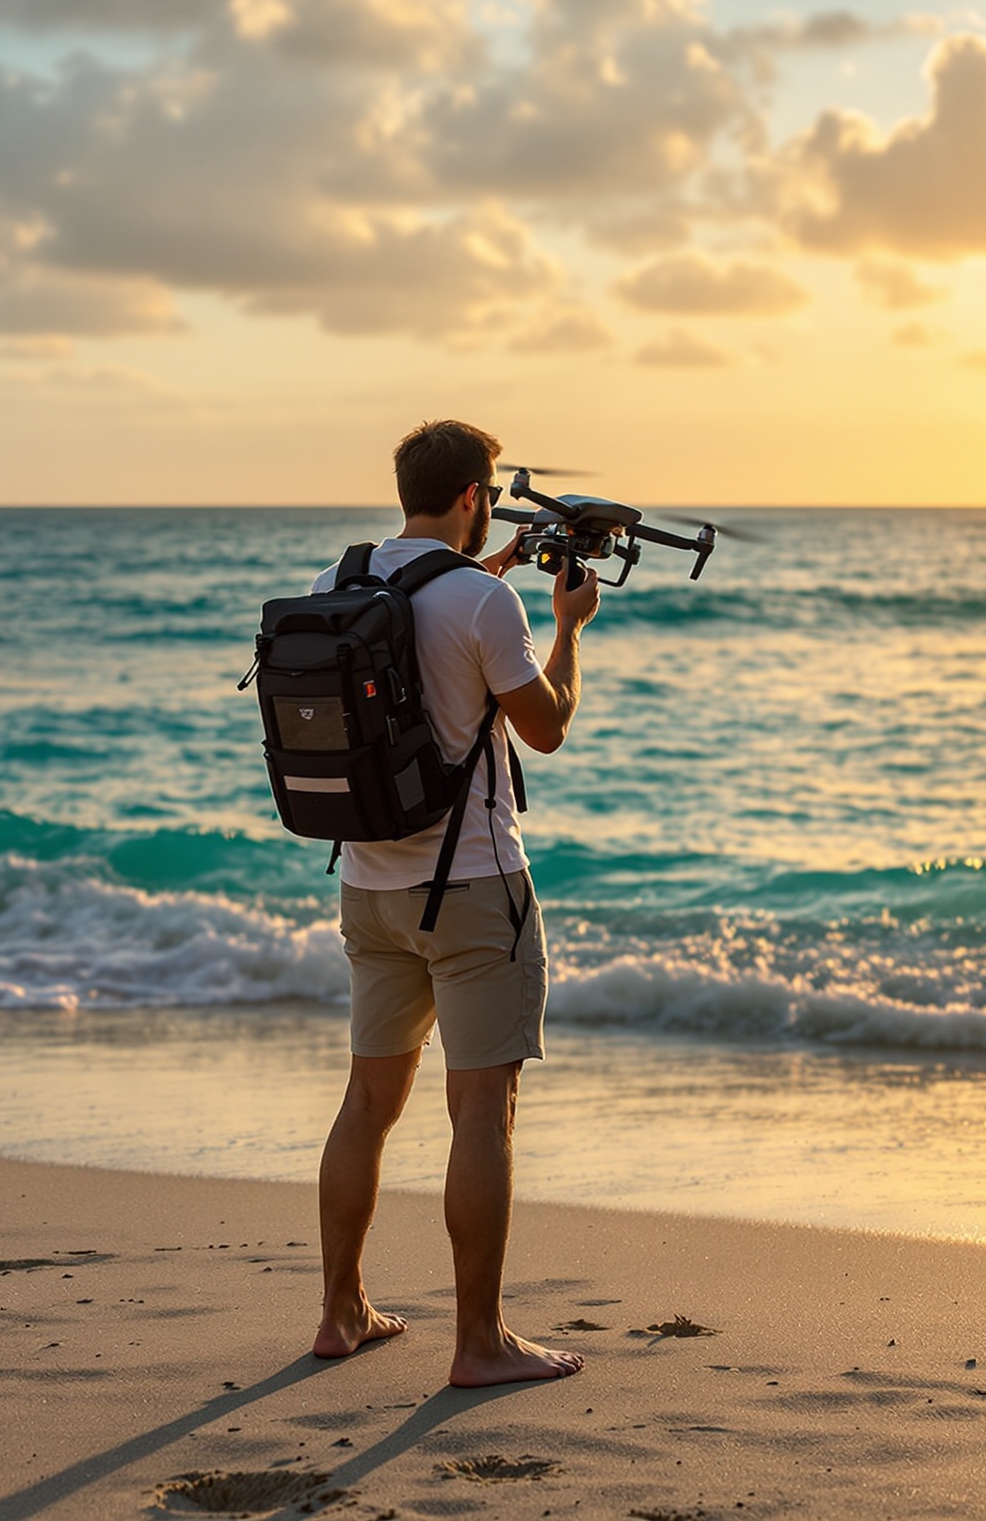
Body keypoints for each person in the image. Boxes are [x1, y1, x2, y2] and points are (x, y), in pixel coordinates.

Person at [306, 418, 598, 1387]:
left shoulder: (340, 584)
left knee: (368, 1101)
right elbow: (545, 725)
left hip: (368, 888)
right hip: (474, 891)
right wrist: (566, 627)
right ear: (476, 495)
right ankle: (478, 1340)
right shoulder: (485, 605)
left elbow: (428, 635)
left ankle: (341, 1308)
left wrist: (498, 581)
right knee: (483, 1108)